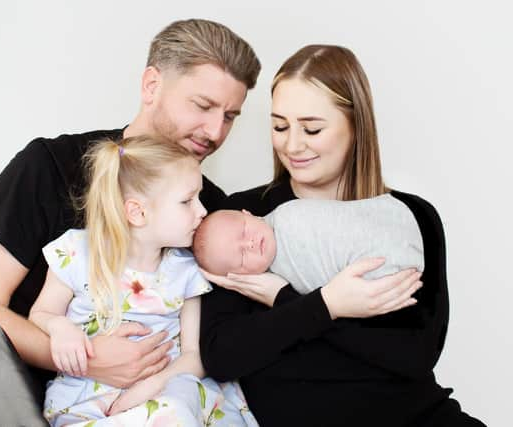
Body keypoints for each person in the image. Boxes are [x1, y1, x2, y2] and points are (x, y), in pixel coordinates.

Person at [0, 19, 260, 427]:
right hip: (32, 401)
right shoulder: (47, 168)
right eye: (203, 106)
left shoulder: (208, 214)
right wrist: (86, 359)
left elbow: (216, 347)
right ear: (151, 86)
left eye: (230, 116)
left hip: (148, 407)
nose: (215, 131)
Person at [199, 45, 485, 426]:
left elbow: (413, 357)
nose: (292, 145)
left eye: (312, 128)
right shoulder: (244, 222)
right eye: (280, 126)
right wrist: (328, 306)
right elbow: (223, 357)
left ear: (356, 125)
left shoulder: (407, 218)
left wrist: (283, 299)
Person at [29, 136, 256, 426]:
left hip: (167, 386)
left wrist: (145, 390)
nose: (202, 211)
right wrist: (59, 328)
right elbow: (41, 313)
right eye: (187, 201)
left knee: (181, 410)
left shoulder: (185, 269)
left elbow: (194, 356)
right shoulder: (76, 253)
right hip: (92, 398)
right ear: (137, 212)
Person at [192, 195, 425, 295]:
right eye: (242, 256)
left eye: (244, 230)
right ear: (239, 277)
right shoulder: (273, 281)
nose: (251, 243)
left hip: (395, 226)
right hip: (394, 279)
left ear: (249, 213)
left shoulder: (288, 216)